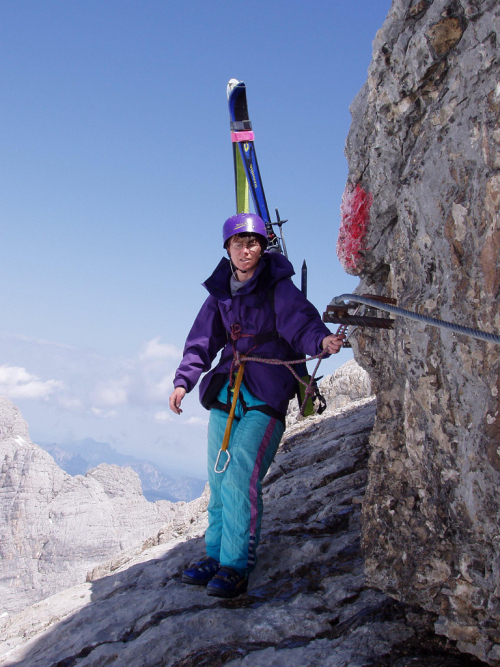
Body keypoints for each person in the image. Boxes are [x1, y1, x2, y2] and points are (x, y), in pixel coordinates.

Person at [169, 213, 344, 598]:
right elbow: (202, 341)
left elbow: (302, 324)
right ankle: (215, 555)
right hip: (228, 391)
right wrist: (184, 381)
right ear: (227, 249)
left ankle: (236, 565)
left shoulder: (278, 288)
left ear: (262, 248)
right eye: (238, 243)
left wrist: (322, 343)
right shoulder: (219, 294)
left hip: (266, 392)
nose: (245, 250)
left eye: (252, 243)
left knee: (239, 477)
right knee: (218, 480)